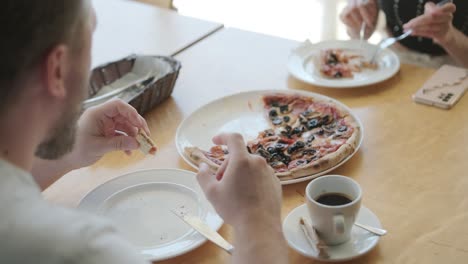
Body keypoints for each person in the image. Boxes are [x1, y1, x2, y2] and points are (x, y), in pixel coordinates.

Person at [0, 1, 288, 263]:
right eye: (89, 44)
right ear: (58, 70)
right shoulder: (82, 250)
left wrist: (67, 150)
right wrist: (257, 218)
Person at [340, 0, 468, 67]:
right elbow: (359, 34)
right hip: (393, 61)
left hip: (455, 69)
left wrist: (450, 38)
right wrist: (356, 21)